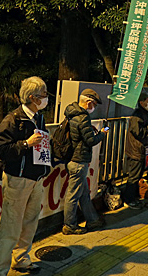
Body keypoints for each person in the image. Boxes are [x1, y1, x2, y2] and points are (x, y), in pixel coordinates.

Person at [0, 76, 52, 275]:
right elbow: (0, 149)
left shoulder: (38, 117)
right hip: (17, 179)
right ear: (33, 97)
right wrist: (26, 144)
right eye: (44, 94)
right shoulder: (12, 120)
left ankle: (21, 259)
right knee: (10, 227)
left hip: (36, 178)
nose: (46, 98)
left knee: (30, 223)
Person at [63, 89, 108, 233]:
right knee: (73, 196)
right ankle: (69, 225)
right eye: (94, 104)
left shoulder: (72, 113)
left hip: (73, 158)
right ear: (88, 102)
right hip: (79, 160)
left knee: (83, 194)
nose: (94, 107)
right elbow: (90, 140)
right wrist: (102, 134)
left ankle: (92, 220)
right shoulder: (83, 118)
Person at [124, 92, 148, 208]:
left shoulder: (143, 113)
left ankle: (134, 198)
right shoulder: (137, 115)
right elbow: (138, 132)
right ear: (141, 102)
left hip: (140, 149)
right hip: (136, 149)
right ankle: (129, 199)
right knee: (134, 176)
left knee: (137, 175)